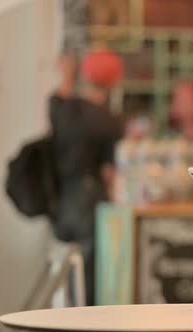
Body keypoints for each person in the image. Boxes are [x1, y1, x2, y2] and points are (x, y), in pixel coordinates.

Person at [49, 48, 123, 306]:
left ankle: (59, 316)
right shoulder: (110, 120)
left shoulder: (65, 108)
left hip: (62, 195)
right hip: (91, 195)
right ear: (113, 81)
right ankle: (83, 318)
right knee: (88, 267)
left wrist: (67, 74)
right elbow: (109, 170)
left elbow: (57, 99)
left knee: (62, 260)